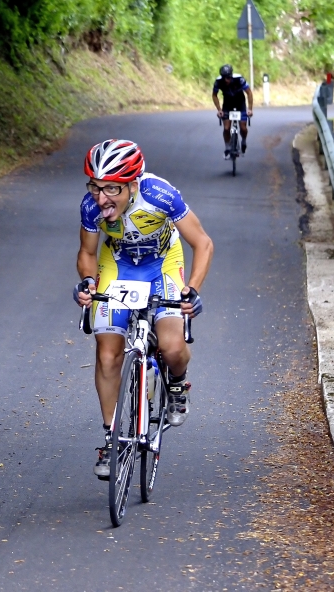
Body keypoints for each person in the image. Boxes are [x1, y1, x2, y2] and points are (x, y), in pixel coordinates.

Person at [73, 139, 213, 480]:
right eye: (94, 186)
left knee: (172, 347)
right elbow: (88, 254)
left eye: (111, 189)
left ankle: (177, 385)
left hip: (163, 263)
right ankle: (111, 439)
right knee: (108, 355)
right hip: (119, 266)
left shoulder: (160, 194)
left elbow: (202, 243)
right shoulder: (91, 207)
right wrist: (89, 282)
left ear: (133, 185)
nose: (100, 198)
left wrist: (191, 289)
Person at [212, 64, 254, 156]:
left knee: (243, 128)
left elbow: (249, 93)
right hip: (228, 104)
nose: (227, 80)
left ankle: (243, 140)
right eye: (225, 78)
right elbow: (214, 95)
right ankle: (227, 147)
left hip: (240, 103)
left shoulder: (239, 79)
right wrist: (219, 110)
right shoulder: (218, 81)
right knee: (226, 128)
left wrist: (250, 109)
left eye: (229, 77)